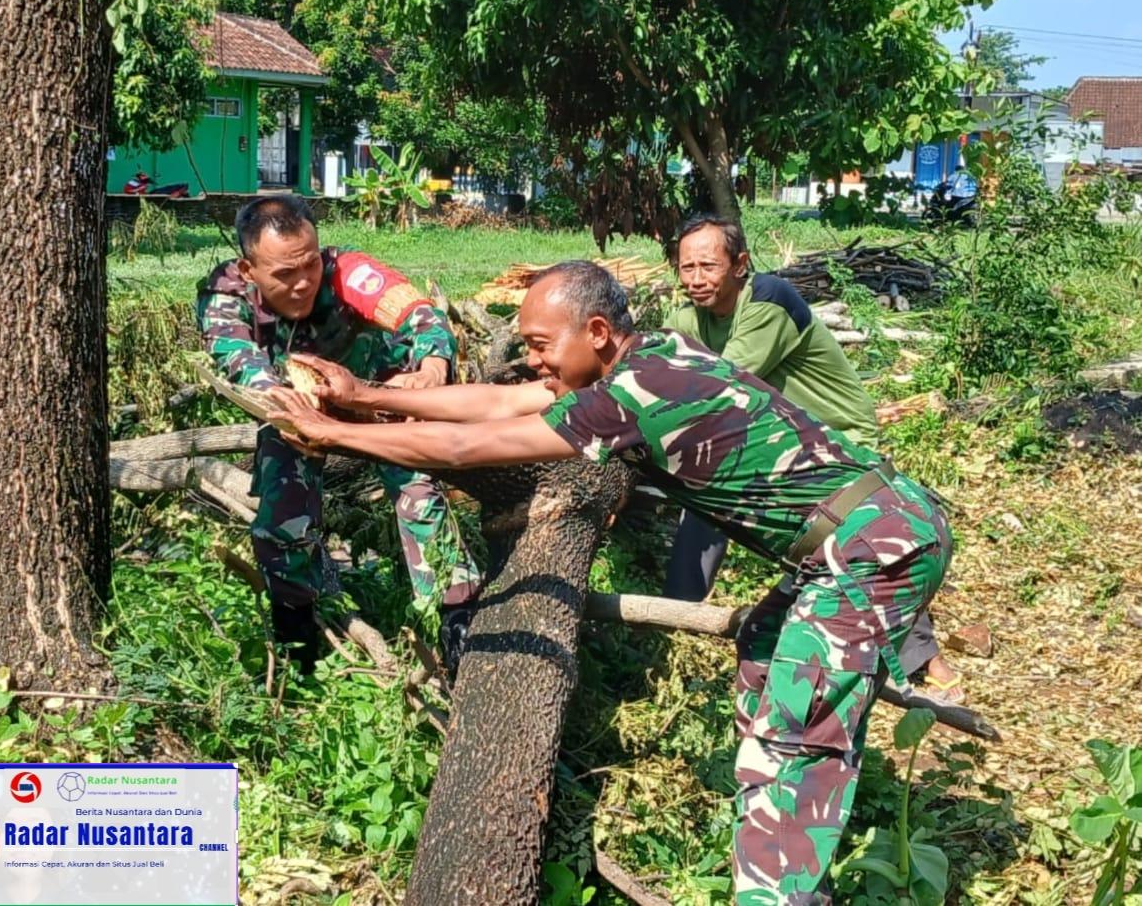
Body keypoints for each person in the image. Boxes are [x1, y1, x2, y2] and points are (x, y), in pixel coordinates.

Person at [272, 261, 951, 906]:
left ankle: (779, 877)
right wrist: (364, 396)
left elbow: (462, 447)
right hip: (879, 524)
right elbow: (506, 399)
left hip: (872, 544)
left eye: (540, 342)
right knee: (769, 647)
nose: (532, 357)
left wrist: (334, 434)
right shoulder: (651, 354)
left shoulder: (635, 393)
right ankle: (789, 825)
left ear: (595, 333)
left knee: (794, 731)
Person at [665, 213, 963, 700]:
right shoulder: (686, 318)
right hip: (775, 441)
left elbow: (719, 384)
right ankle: (676, 619)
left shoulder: (768, 302)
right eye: (687, 267)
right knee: (703, 500)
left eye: (708, 266)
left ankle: (924, 661)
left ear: (740, 264)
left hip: (837, 438)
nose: (697, 279)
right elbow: (661, 370)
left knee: (853, 539)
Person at [197, 194, 483, 674]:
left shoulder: (347, 270)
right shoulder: (226, 293)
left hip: (378, 400)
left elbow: (418, 313)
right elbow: (240, 362)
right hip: (295, 410)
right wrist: (287, 406)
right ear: (249, 270)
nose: (304, 282)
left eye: (309, 264)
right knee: (281, 510)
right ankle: (298, 651)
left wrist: (433, 365)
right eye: (284, 275)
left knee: (419, 493)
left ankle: (460, 638)